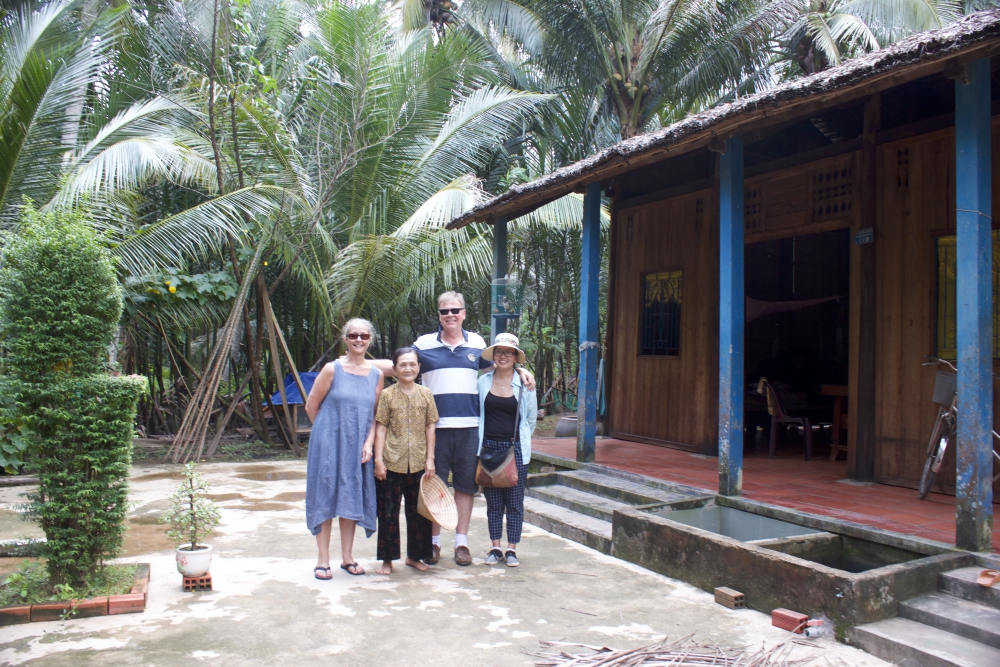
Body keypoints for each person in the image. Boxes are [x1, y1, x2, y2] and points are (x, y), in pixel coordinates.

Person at [371, 291, 535, 567]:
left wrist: (522, 371)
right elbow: (399, 366)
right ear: (439, 315)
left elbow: (501, 366)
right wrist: (354, 363)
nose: (450, 315)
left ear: (464, 313)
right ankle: (433, 544)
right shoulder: (423, 344)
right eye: (444, 311)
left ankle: (461, 543)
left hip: (470, 428)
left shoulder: (478, 343)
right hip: (434, 430)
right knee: (434, 486)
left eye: (455, 310)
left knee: (465, 487)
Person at [305, 318, 384, 578]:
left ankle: (347, 557)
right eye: (353, 335)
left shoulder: (377, 375)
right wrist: (327, 436)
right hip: (328, 445)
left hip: (358, 447)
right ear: (345, 339)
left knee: (350, 496)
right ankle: (323, 560)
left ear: (370, 340)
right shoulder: (332, 369)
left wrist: (369, 443)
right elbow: (311, 406)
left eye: (363, 336)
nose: (358, 340)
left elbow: (375, 414)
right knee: (326, 496)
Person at [372, 348, 438, 575]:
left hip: (419, 462)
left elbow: (431, 426)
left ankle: (414, 556)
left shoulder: (426, 394)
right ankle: (387, 559)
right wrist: (378, 461)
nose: (408, 368)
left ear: (419, 368)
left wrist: (430, 459)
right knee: (388, 512)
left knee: (419, 513)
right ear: (394, 369)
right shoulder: (388, 395)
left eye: (412, 364)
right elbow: (380, 428)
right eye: (403, 365)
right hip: (391, 461)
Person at [478, 332, 537, 567]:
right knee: (493, 503)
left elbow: (530, 420)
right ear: (493, 355)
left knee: (514, 502)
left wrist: (519, 442)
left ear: (515, 357)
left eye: (508, 352)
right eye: (499, 352)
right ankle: (495, 547)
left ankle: (512, 548)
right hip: (488, 447)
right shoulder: (483, 382)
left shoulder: (525, 384)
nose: (503, 356)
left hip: (516, 449)